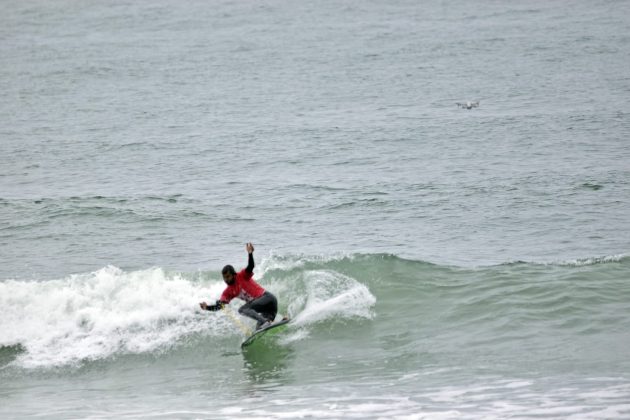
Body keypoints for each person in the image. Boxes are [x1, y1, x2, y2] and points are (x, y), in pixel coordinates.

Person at [200, 243, 278, 330]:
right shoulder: (227, 292)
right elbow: (220, 306)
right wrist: (207, 307)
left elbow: (251, 266)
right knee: (260, 330)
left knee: (242, 310)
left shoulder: (242, 275)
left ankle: (265, 322)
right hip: (267, 310)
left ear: (234, 274)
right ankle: (278, 321)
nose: (226, 280)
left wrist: (250, 253)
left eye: (228, 277)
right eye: (224, 278)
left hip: (268, 299)